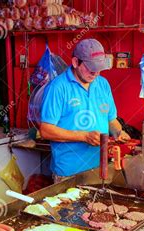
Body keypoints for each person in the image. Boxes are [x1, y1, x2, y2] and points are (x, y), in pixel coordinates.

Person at [39, 39, 131, 183]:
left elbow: (110, 120)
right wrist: (84, 136)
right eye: (90, 68)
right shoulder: (57, 88)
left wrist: (118, 132)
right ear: (75, 62)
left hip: (100, 169)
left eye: (99, 68)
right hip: (69, 174)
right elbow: (46, 130)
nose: (95, 73)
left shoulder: (103, 84)